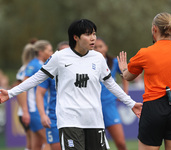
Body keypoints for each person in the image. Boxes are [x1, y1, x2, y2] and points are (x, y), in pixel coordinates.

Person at [0, 19, 143, 150]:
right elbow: (36, 78)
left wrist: (131, 103)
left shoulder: (98, 58)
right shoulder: (59, 57)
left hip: (94, 120)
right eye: (88, 34)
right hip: (69, 121)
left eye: (94, 34)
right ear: (76, 37)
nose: (93, 38)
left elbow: (111, 84)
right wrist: (11, 92)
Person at [117, 12, 171, 150]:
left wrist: (123, 68)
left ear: (154, 29)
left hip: (153, 109)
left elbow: (128, 76)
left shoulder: (145, 53)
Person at [94, 37, 128, 150]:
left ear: (106, 47)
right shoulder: (88, 63)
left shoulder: (113, 62)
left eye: (100, 46)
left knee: (121, 143)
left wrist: (125, 91)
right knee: (98, 145)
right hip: (93, 107)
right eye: (95, 47)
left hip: (109, 105)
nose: (98, 49)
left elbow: (125, 75)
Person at [36, 41, 69, 150]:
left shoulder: (79, 70)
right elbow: (39, 93)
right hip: (54, 118)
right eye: (62, 51)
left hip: (74, 117)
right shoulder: (51, 69)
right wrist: (42, 115)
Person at [23, 40, 53, 150]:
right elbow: (23, 87)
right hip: (35, 110)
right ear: (41, 52)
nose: (52, 52)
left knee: (36, 145)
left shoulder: (41, 64)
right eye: (49, 50)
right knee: (50, 141)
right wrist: (25, 111)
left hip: (39, 109)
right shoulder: (35, 65)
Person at [16, 42, 36, 150]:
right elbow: (21, 90)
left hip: (23, 111)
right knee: (37, 141)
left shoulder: (22, 69)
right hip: (29, 110)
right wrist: (26, 110)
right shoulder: (31, 68)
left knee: (30, 142)